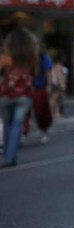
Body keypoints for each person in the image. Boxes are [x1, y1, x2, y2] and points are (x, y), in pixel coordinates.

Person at [0, 27, 41, 167]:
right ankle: (11, 157)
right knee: (17, 125)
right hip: (25, 94)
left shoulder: (6, 57)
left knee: (7, 124)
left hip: (6, 93)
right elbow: (36, 74)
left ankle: (7, 153)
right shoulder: (32, 57)